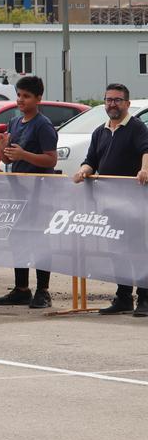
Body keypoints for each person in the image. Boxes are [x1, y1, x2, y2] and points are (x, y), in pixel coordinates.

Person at [71, 83, 148, 316]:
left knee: (138, 251)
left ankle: (144, 299)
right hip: (109, 203)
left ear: (127, 103)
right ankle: (123, 297)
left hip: (134, 203)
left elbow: (147, 150)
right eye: (108, 100)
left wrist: (145, 169)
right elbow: (91, 159)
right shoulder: (99, 132)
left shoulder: (137, 128)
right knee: (117, 251)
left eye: (117, 100)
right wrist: (83, 170)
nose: (112, 104)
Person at [0, 76, 57, 310]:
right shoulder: (15, 122)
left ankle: (43, 290)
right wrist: (2, 150)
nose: (21, 100)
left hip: (39, 191)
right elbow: (9, 157)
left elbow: (51, 158)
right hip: (18, 191)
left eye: (26, 96)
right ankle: (21, 289)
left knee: (40, 240)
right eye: (19, 95)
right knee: (17, 238)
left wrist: (24, 155)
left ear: (38, 98)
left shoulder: (43, 125)